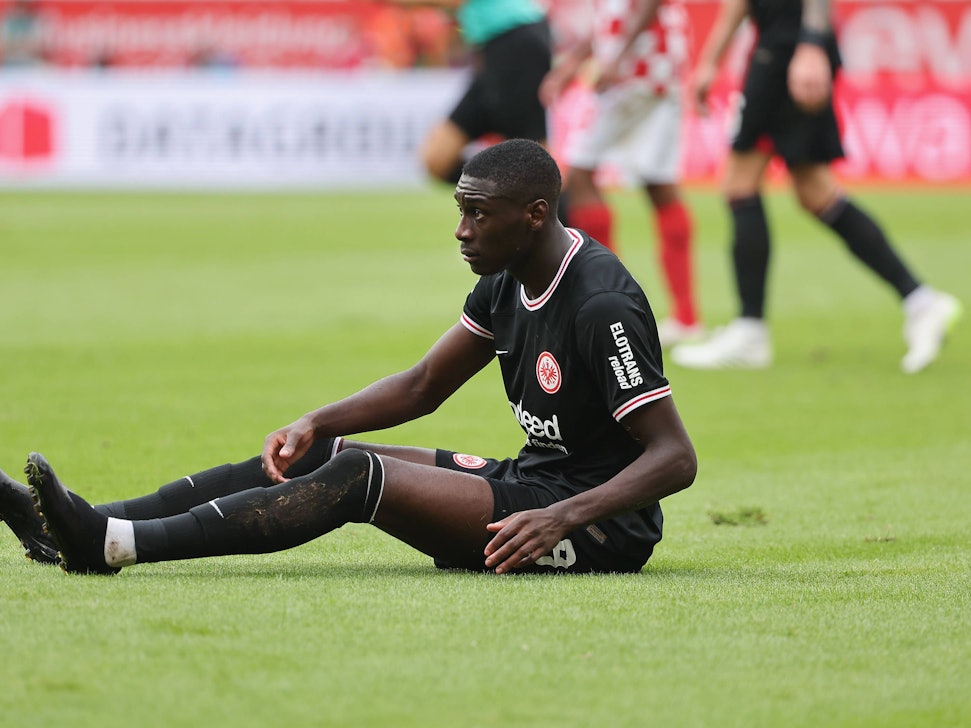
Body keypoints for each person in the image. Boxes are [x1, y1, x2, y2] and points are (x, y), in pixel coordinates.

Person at [1, 139, 697, 577]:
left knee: (357, 475)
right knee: (322, 449)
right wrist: (316, 419)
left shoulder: (598, 303)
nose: (460, 231)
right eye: (459, 210)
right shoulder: (503, 281)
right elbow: (424, 384)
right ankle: (78, 520)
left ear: (535, 215)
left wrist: (563, 517)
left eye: (477, 214)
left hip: (596, 528)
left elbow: (674, 457)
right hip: (534, 482)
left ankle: (113, 545)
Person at [670, 0, 962, 372]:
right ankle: (921, 301)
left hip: (788, 50)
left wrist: (809, 44)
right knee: (815, 193)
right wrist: (712, 57)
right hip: (782, 46)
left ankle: (750, 332)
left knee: (740, 183)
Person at [540, 0, 702, 347]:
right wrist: (576, 62)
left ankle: (614, 304)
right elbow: (609, 19)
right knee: (658, 185)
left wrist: (614, 58)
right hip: (655, 69)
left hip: (637, 69)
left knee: (579, 174)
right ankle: (685, 317)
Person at [389, 0, 554, 185]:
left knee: (534, 163)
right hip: (493, 51)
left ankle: (551, 205)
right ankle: (507, 194)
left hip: (517, 43)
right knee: (437, 158)